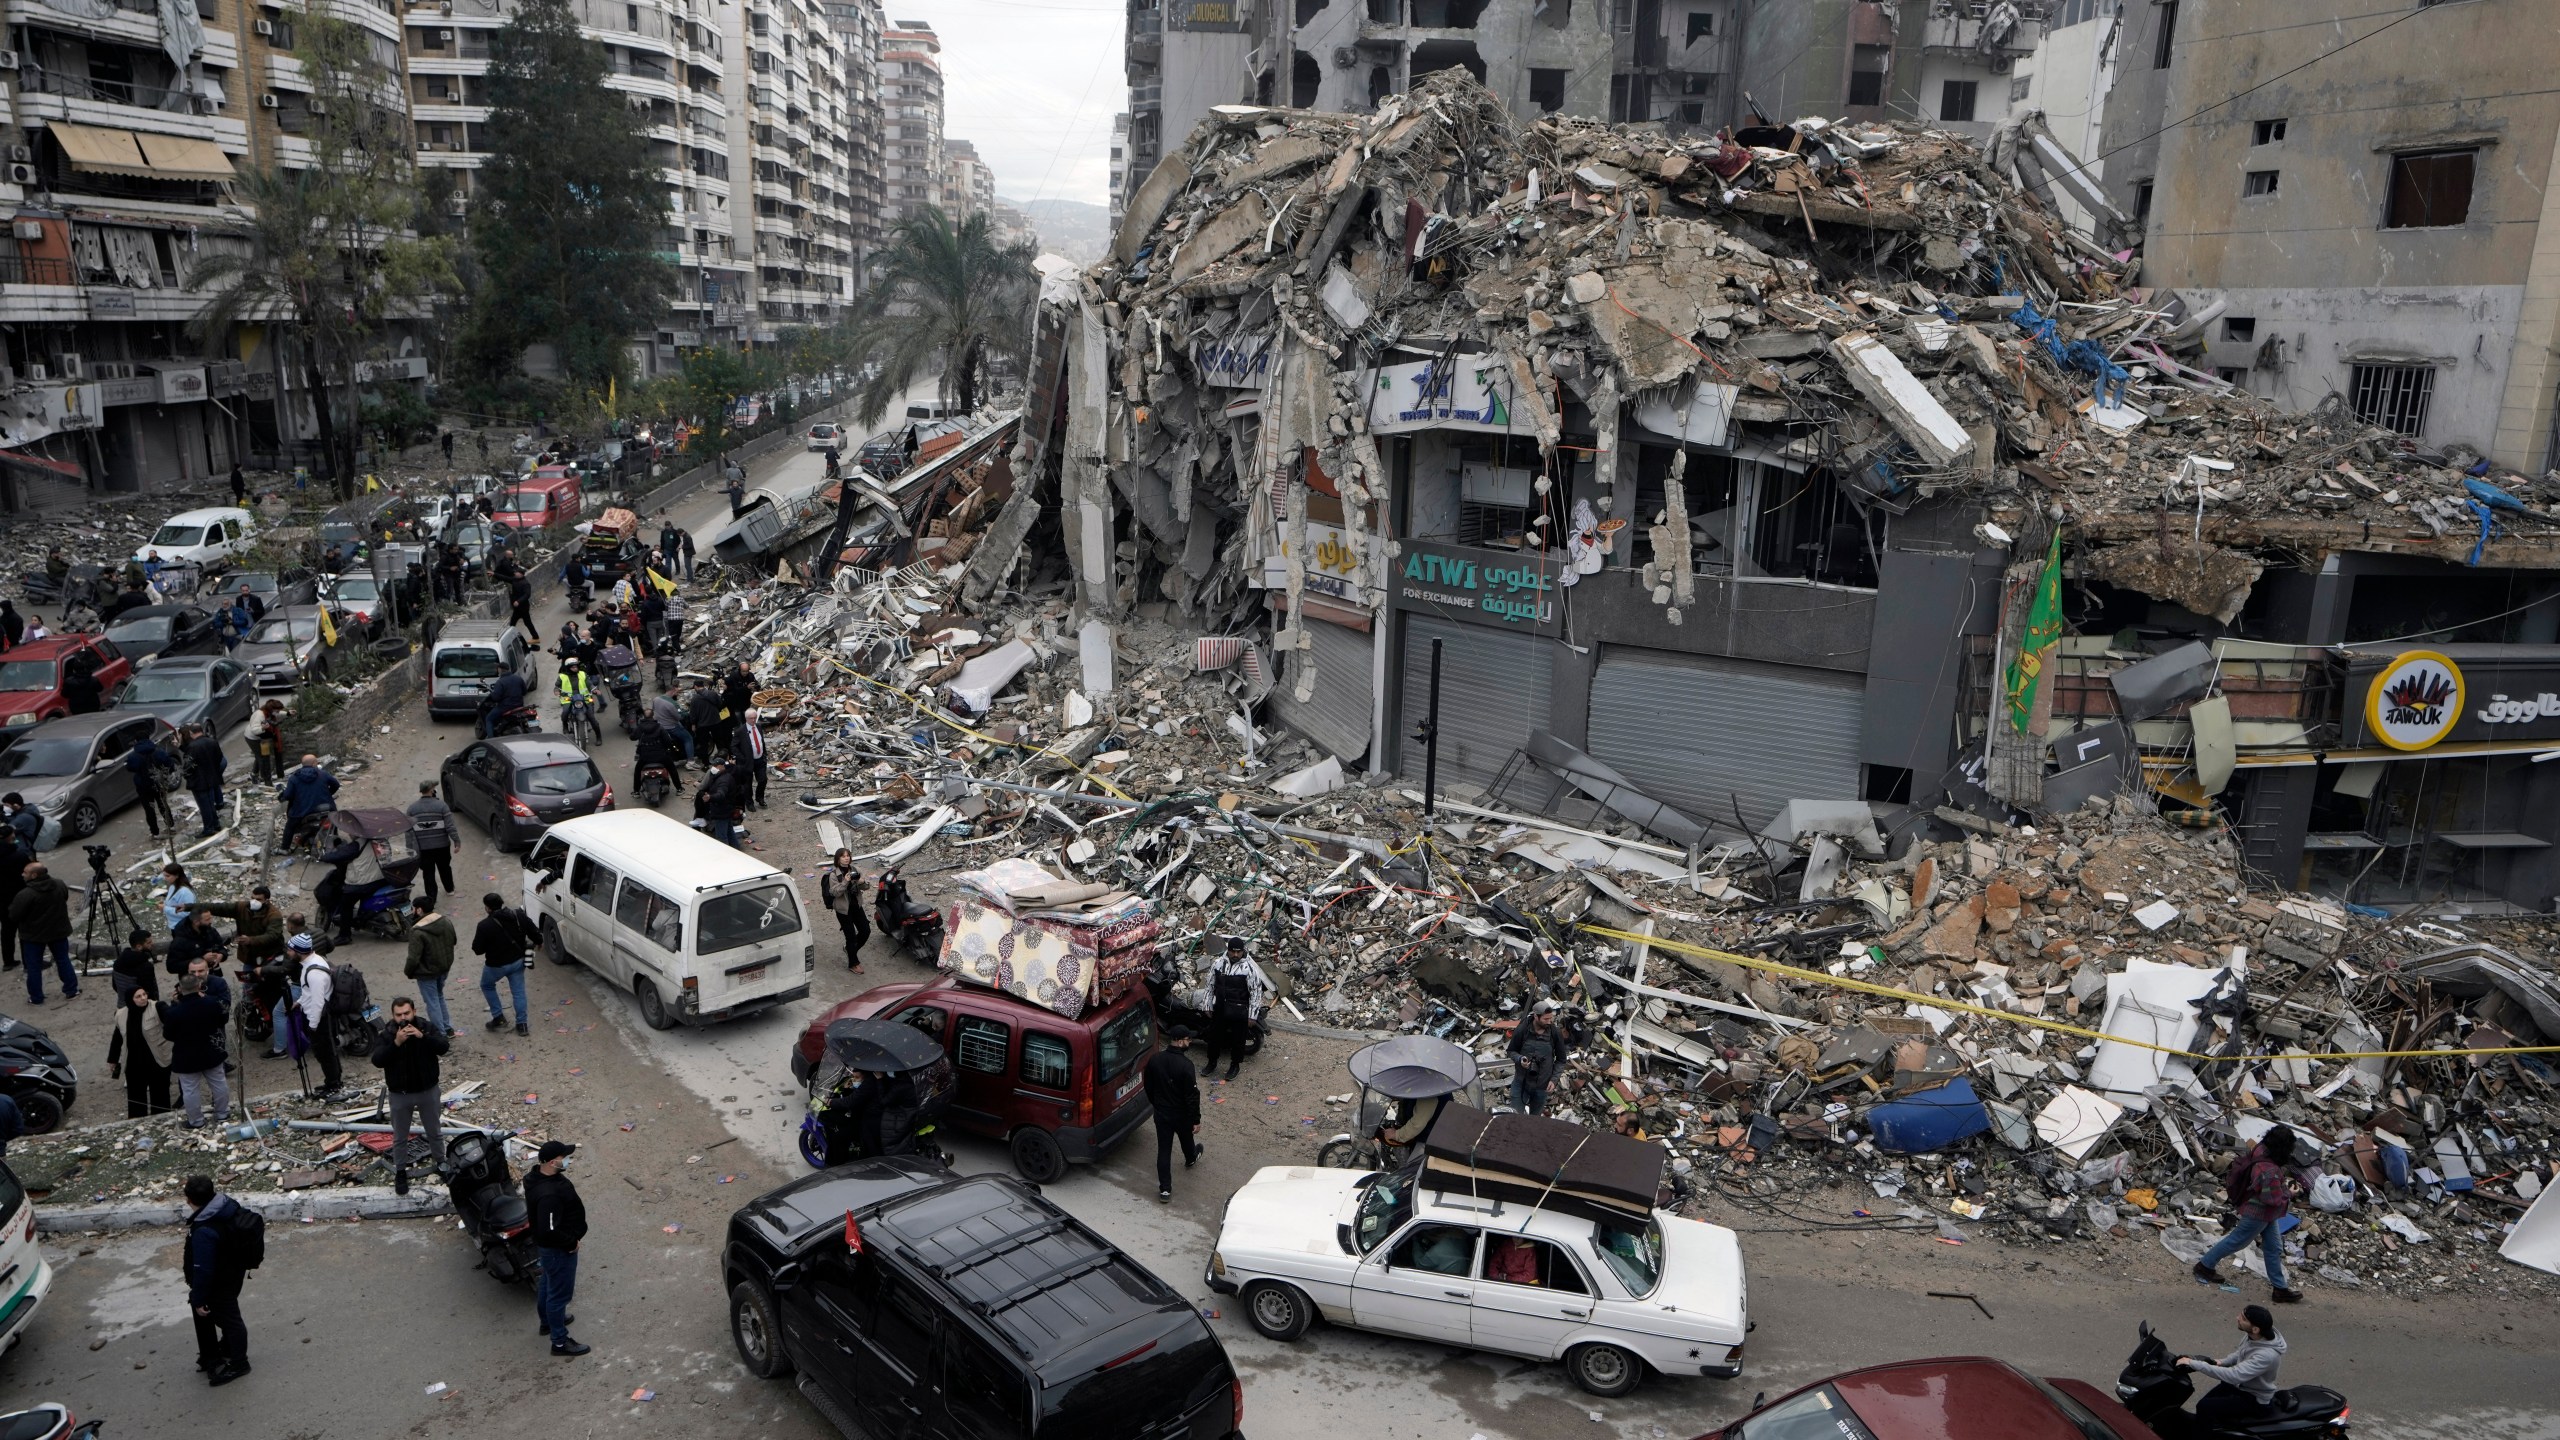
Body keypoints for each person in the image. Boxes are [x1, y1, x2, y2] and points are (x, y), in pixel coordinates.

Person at [2195, 1126, 2307, 1303]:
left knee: (2274, 1247)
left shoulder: (2262, 1150)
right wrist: (2289, 1193)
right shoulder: (2269, 1170)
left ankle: (2280, 1288)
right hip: (2259, 1212)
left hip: (2266, 1214)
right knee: (2236, 1241)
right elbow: (2272, 1198)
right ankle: (2204, 1266)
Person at [371, 995, 448, 1195]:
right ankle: (400, 1172)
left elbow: (443, 1047)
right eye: (399, 1015)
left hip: (427, 1090)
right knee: (400, 1136)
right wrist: (396, 1043)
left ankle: (442, 1163)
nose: (403, 1018)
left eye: (406, 1013)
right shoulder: (388, 1033)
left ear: (413, 1011)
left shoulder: (425, 1026)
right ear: (393, 1015)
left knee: (434, 1131)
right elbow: (377, 1060)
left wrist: (422, 1037)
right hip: (400, 1094)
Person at [181, 1174, 253, 1384]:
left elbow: (202, 1269)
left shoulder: (204, 1230)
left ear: (190, 1200)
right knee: (227, 1314)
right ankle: (228, 1348)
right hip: (234, 1271)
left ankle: (240, 1363)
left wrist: (198, 1298)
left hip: (218, 1281)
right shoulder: (227, 1206)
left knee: (230, 1320)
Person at [525, 1140, 590, 1357]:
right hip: (559, 1250)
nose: (568, 1160)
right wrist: (571, 1242)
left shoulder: (536, 1178)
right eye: (564, 1157)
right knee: (559, 1295)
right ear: (553, 1162)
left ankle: (547, 1322)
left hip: (548, 1250)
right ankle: (560, 1342)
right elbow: (549, 1230)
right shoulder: (549, 1195)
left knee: (548, 1283)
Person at [2179, 1306, 2289, 1425]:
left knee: (2205, 1407)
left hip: (2254, 1398)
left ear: (2256, 1329)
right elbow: (2240, 1354)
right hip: (2241, 1386)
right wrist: (2221, 1362)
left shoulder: (2266, 1355)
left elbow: (2234, 1375)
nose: (2237, 1318)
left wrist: (2195, 1364)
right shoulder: (2255, 1336)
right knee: (2204, 1403)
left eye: (2243, 1318)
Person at [107, 937, 171, 1118]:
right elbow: (117, 1037)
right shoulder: (122, 1014)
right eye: (138, 996)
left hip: (156, 1059)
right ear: (130, 1000)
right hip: (134, 1064)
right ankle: (138, 1122)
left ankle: (162, 1119)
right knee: (136, 1098)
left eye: (144, 994)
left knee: (160, 1095)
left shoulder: (157, 1007)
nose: (143, 998)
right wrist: (113, 1059)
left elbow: (171, 1024)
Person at [160, 972, 230, 1129]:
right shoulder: (212, 1003)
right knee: (219, 1083)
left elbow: (168, 1034)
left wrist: (175, 1004)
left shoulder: (174, 1012)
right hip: (211, 1050)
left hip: (186, 1055)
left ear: (180, 988)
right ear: (199, 986)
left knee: (190, 1090)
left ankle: (196, 1121)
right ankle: (222, 1113)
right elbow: (222, 1020)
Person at [1144, 1024, 1203, 1203]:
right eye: (1187, 1039)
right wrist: (1196, 1119)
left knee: (1164, 1149)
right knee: (1186, 1138)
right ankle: (1191, 1158)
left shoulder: (1155, 1060)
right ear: (1179, 1041)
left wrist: (1157, 1104)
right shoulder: (1186, 1066)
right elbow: (1192, 1096)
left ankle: (1165, 1190)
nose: (1190, 1042)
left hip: (1162, 1113)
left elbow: (1148, 1086)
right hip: (1181, 1114)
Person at [1201, 937, 1266, 1082]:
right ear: (1228, 950)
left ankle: (1235, 1065)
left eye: (1238, 952)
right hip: (1220, 1008)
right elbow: (1210, 986)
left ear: (1243, 951)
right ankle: (1211, 1063)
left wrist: (1252, 1016)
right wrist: (1207, 1005)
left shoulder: (1249, 968)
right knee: (1214, 1037)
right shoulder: (1218, 964)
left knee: (1238, 1040)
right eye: (1233, 951)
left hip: (1240, 1010)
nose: (1235, 955)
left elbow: (1256, 992)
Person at [10, 861, 75, 1004]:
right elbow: (64, 897)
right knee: (63, 960)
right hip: (58, 931)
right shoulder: (59, 884)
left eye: (25, 872)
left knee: (33, 967)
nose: (22, 874)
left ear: (34, 875)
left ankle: (36, 997)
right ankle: (71, 990)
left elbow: (14, 915)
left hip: (33, 936)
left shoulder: (25, 894)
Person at [289, 934, 343, 1096]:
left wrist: (312, 1025)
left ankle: (333, 1084)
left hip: (320, 1018)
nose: (288, 953)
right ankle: (333, 1081)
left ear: (299, 951)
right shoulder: (313, 962)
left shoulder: (314, 973)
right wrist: (299, 1001)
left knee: (325, 1053)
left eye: (290, 950)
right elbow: (309, 991)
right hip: (318, 1015)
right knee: (326, 1051)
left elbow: (318, 1002)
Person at [474, 893, 530, 1036]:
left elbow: (477, 950)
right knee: (518, 992)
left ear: (487, 908)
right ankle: (522, 1024)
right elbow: (534, 932)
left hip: (496, 966)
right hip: (518, 962)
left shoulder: (484, 926)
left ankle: (498, 1017)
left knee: (486, 985)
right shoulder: (518, 915)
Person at [403, 895, 458, 1038]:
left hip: (426, 973)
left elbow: (413, 958)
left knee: (432, 1002)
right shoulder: (446, 921)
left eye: (413, 908)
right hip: (444, 968)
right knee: (439, 997)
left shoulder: (417, 931)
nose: (412, 911)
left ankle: (440, 1034)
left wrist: (408, 972)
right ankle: (447, 1028)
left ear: (419, 910)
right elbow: (454, 940)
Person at [1508, 1002, 1564, 1117]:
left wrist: (1554, 1080)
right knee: (1514, 1117)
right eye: (1546, 1019)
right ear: (1536, 1016)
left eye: (1551, 1018)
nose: (1549, 1021)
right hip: (1521, 1082)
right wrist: (1520, 1059)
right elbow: (1511, 1051)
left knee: (1535, 1122)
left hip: (1542, 1086)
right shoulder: (1522, 1029)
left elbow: (1561, 1060)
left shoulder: (1554, 1032)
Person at [818, 849, 869, 970]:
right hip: (843, 910)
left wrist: (862, 882)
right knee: (850, 936)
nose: (846, 858)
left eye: (848, 856)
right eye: (843, 856)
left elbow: (866, 887)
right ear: (838, 859)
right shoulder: (833, 875)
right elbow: (834, 892)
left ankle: (850, 949)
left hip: (857, 906)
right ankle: (853, 963)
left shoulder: (856, 870)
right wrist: (845, 881)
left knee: (866, 931)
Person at [408, 780, 456, 908]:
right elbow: (450, 826)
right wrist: (456, 841)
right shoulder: (442, 806)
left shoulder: (412, 809)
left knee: (428, 873)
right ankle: (449, 889)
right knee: (445, 868)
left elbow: (409, 832)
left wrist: (410, 849)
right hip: (442, 846)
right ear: (431, 791)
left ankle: (431, 897)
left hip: (423, 849)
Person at [313, 832, 364, 946]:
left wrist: (323, 857)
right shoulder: (377, 841)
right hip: (378, 877)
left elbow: (338, 856)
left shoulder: (357, 845)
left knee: (347, 903)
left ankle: (344, 935)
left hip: (363, 880)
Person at [279, 754, 339, 849]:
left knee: (290, 826)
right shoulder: (323, 774)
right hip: (325, 807)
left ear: (302, 764)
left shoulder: (294, 778)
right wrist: (328, 794)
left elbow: (288, 795)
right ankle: (336, 841)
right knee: (334, 819)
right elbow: (336, 784)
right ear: (314, 763)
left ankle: (284, 848)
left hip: (301, 812)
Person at [127, 728, 177, 838]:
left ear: (136, 741)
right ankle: (171, 826)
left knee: (149, 809)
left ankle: (155, 832)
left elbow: (130, 768)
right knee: (163, 805)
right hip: (158, 783)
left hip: (143, 785)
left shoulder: (133, 756)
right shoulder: (158, 751)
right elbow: (169, 764)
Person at [183, 724, 227, 837]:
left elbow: (188, 766)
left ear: (192, 733)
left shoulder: (192, 746)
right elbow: (219, 758)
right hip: (211, 778)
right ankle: (215, 824)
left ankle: (208, 828)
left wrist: (187, 776)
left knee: (204, 805)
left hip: (199, 780)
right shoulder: (212, 741)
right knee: (210, 803)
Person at [632, 717, 684, 796]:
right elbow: (668, 741)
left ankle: (636, 792)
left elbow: (632, 737)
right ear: (653, 717)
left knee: (637, 771)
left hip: (645, 758)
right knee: (672, 769)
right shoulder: (659, 727)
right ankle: (679, 789)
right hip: (661, 756)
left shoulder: (640, 727)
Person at [696, 760, 741, 848]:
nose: (713, 768)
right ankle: (736, 848)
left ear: (721, 766)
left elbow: (721, 794)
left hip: (721, 810)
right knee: (729, 831)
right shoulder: (723, 776)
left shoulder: (723, 780)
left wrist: (710, 797)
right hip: (726, 809)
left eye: (715, 766)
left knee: (721, 837)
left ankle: (726, 856)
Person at [733, 707, 769, 808]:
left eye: (754, 718)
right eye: (751, 718)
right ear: (746, 718)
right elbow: (733, 746)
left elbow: (761, 742)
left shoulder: (758, 726)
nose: (753, 720)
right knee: (747, 784)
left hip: (760, 759)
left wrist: (764, 754)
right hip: (747, 762)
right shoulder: (740, 731)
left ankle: (760, 798)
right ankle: (749, 803)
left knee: (763, 780)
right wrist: (742, 758)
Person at [481, 664, 528, 739]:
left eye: (498, 669)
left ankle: (491, 740)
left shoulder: (500, 682)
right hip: (519, 706)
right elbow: (525, 692)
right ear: (508, 669)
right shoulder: (518, 678)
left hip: (505, 707)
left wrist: (492, 695)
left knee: (489, 719)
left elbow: (496, 698)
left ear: (500, 670)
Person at [245, 701, 287, 785]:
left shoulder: (269, 713)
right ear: (271, 709)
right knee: (263, 758)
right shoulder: (259, 715)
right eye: (277, 711)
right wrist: (262, 728)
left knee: (261, 757)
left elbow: (279, 713)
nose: (278, 713)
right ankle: (266, 780)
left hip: (264, 738)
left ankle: (254, 774)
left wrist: (288, 713)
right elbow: (254, 729)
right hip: (254, 739)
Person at [649, 689, 693, 763]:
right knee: (688, 739)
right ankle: (691, 761)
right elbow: (679, 717)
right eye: (676, 692)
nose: (677, 694)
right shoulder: (671, 704)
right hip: (672, 727)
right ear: (673, 691)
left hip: (660, 726)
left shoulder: (656, 699)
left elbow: (653, 710)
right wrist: (686, 713)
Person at [556, 656, 592, 731]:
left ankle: (597, 734)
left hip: (583, 697)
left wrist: (594, 689)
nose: (575, 668)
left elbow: (589, 684)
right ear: (568, 668)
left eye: (576, 667)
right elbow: (557, 686)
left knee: (591, 715)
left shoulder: (582, 674)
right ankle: (565, 725)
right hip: (568, 699)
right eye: (573, 667)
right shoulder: (562, 676)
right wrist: (557, 690)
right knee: (565, 712)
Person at [507, 572, 535, 640]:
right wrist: (494, 574)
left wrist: (518, 601)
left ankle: (535, 637)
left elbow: (527, 595)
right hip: (517, 609)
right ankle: (509, 637)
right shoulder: (515, 580)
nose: (515, 573)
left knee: (527, 623)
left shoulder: (525, 584)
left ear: (521, 574)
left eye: (517, 572)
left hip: (523, 608)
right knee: (512, 623)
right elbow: (505, 578)